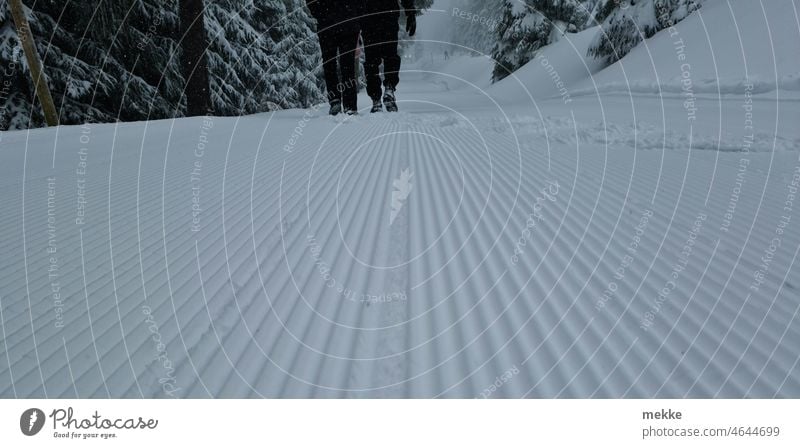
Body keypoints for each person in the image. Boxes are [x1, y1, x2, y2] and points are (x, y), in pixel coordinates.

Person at [306, 0, 364, 115]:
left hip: (330, 23)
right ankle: (349, 105)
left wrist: (319, 13)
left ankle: (335, 101)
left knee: (330, 64)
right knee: (346, 65)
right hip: (347, 22)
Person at [361, 0, 417, 113]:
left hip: (369, 16)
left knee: (372, 60)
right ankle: (389, 89)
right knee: (390, 56)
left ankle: (376, 99)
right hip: (387, 14)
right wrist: (410, 12)